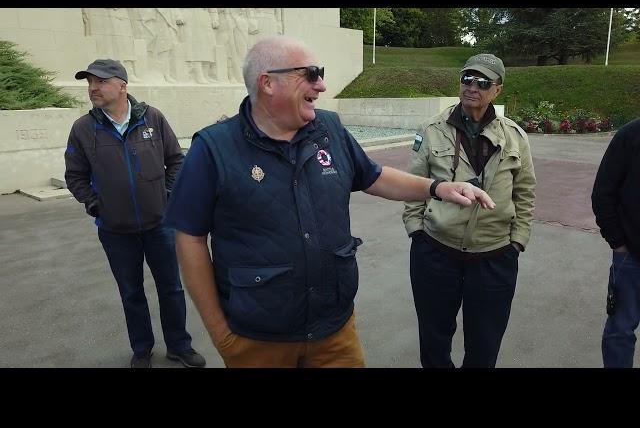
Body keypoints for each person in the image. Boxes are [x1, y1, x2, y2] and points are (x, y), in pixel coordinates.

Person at [163, 36, 495, 368]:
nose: (321, 84)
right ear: (268, 83)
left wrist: (438, 188)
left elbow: (373, 176)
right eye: (310, 73)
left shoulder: (329, 128)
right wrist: (220, 332)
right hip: (257, 340)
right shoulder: (214, 148)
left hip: (334, 332)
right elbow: (190, 237)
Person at [64, 59, 206, 368]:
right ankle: (142, 350)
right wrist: (94, 203)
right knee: (131, 293)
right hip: (115, 231)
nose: (92, 88)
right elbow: (74, 176)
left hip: (160, 226)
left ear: (122, 86)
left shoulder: (152, 118)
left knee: (172, 288)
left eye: (100, 81)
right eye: (89, 82)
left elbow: (176, 161)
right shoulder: (84, 129)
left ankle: (179, 346)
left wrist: (167, 196)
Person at [402, 53, 536, 368]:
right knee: (434, 341)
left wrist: (518, 241)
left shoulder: (515, 136)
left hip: (495, 255)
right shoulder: (432, 129)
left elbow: (526, 191)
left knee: (484, 345)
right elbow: (414, 183)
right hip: (435, 251)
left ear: (497, 90)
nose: (472, 87)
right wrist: (416, 231)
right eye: (467, 79)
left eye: (482, 82)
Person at [591, 117, 640, 368]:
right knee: (620, 331)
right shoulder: (630, 135)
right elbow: (603, 193)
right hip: (631, 256)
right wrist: (618, 241)